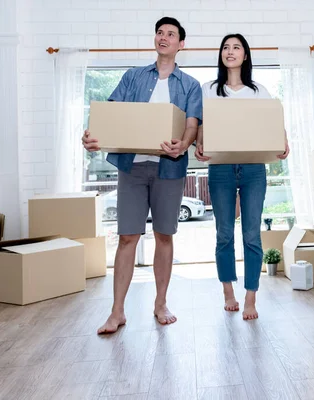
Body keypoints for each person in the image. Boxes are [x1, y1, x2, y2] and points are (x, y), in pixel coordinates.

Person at [82, 17, 203, 334]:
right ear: (156, 40)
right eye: (160, 33)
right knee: (127, 237)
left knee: (165, 235)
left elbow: (191, 125)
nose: (164, 37)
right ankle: (117, 311)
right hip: (133, 168)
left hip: (169, 168)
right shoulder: (133, 77)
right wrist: (93, 135)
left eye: (171, 34)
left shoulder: (189, 85)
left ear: (181, 44)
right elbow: (110, 113)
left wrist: (185, 143)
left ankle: (160, 303)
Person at [195, 33, 289, 320]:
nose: (230, 51)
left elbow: (274, 124)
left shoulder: (259, 90)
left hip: (253, 169)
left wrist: (282, 142)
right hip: (220, 168)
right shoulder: (208, 89)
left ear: (245, 55)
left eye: (236, 47)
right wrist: (199, 143)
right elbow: (200, 125)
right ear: (221, 55)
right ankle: (228, 291)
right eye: (225, 47)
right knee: (224, 233)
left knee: (251, 235)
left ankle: (251, 297)